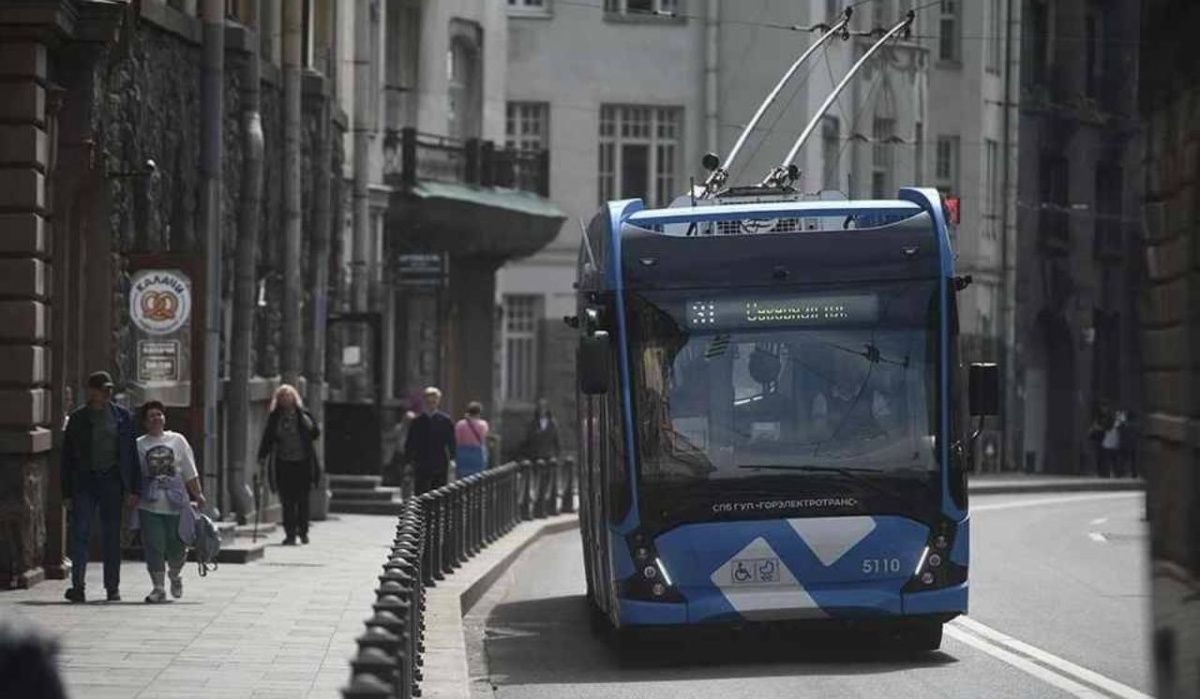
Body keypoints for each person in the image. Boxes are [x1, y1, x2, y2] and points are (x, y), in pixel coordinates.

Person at [61, 371, 140, 603]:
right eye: (102, 389)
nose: (107, 393)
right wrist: (66, 493)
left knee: (111, 536)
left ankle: (112, 588)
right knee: (81, 534)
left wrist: (134, 489)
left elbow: (130, 455)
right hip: (85, 482)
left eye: (109, 389)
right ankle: (78, 587)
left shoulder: (122, 417)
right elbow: (67, 459)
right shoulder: (78, 419)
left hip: (112, 481)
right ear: (91, 391)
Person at [131, 401, 204, 603]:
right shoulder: (139, 444)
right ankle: (158, 587)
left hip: (177, 502)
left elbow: (190, 470)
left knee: (178, 545)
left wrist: (198, 494)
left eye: (159, 414)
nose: (156, 418)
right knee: (154, 545)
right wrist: (133, 494)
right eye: (151, 416)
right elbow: (135, 474)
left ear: (164, 418)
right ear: (145, 422)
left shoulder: (178, 440)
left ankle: (174, 575)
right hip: (150, 503)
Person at [257, 384, 321, 546]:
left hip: (303, 463)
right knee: (287, 501)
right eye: (282, 397)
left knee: (302, 500)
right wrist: (262, 456)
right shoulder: (275, 417)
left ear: (294, 398)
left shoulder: (303, 415)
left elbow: (315, 434)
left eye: (288, 396)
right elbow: (268, 438)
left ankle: (303, 531)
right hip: (283, 463)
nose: (286, 399)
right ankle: (290, 534)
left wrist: (310, 425)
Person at [405, 387, 455, 494]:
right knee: (420, 493)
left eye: (434, 401)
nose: (431, 404)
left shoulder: (445, 421)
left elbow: (451, 441)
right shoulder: (417, 422)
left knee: (438, 493)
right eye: (428, 402)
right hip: (421, 462)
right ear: (425, 402)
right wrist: (408, 461)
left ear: (438, 401)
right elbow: (410, 442)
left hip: (439, 463)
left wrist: (452, 459)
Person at [454, 402, 490, 478]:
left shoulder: (460, 424)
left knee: (462, 479)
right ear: (479, 412)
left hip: (463, 453)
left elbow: (457, 440)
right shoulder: (483, 424)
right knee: (476, 479)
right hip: (477, 454)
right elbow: (483, 439)